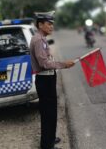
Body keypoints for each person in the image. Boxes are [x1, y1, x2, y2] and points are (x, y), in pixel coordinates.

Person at [30, 11, 75, 149]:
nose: (51, 27)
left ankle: (50, 138)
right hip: (44, 80)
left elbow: (47, 59)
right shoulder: (38, 40)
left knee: (51, 111)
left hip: (48, 78)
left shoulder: (42, 38)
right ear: (40, 24)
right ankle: (46, 145)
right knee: (47, 112)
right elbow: (44, 63)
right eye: (49, 24)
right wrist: (63, 64)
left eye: (52, 24)